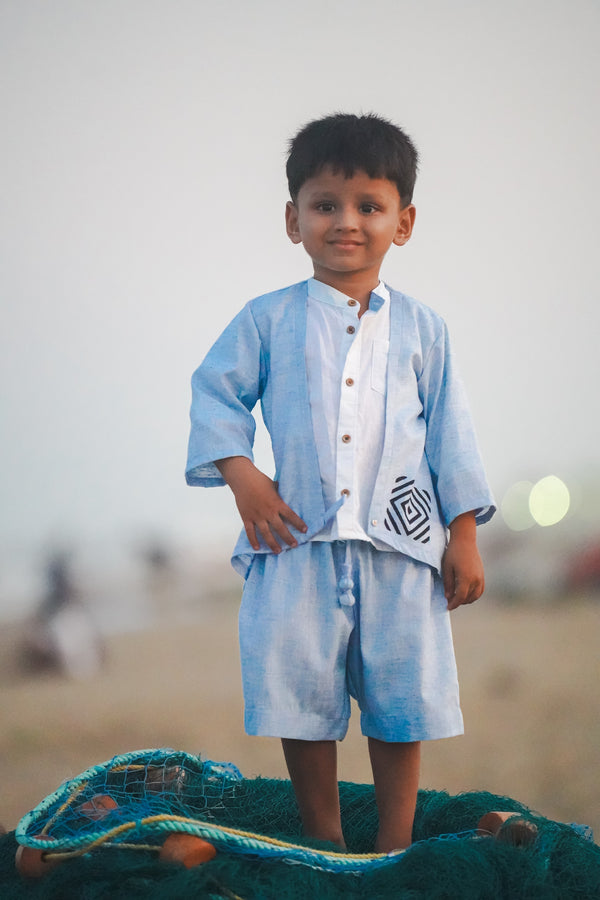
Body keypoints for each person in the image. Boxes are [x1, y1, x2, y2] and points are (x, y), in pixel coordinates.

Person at [186, 113, 495, 852]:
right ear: (293, 220)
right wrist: (243, 477)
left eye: (369, 207)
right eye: (325, 205)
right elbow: (215, 393)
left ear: (403, 221)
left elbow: (451, 435)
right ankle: (325, 840)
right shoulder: (266, 320)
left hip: (403, 549)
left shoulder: (425, 331)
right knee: (302, 701)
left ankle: (393, 844)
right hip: (294, 542)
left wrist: (465, 536)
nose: (346, 223)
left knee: (403, 702)